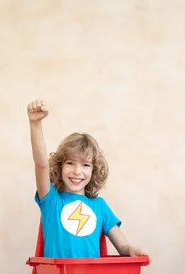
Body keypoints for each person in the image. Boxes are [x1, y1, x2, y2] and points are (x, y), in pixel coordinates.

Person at [27, 98, 146, 258]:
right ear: (60, 165)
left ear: (94, 170)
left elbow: (123, 247)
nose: (77, 171)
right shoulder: (51, 200)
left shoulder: (100, 206)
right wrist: (35, 124)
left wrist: (131, 250)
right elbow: (41, 164)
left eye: (86, 165)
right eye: (70, 163)